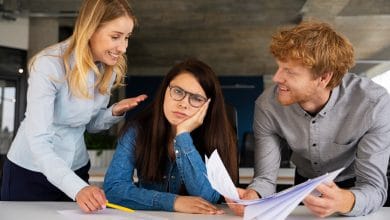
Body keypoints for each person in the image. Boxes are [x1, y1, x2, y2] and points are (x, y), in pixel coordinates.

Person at [227, 21, 390, 217]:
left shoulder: (373, 103)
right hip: (303, 183)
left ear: (323, 78)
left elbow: (373, 188)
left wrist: (344, 201)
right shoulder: (268, 105)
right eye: (279, 67)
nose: (277, 78)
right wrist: (253, 196)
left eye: (289, 71)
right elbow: (265, 179)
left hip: (353, 186)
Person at [0, 0, 147, 213]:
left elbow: (89, 125)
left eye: (126, 38)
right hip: (31, 172)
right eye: (115, 37)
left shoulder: (109, 69)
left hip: (76, 167)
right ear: (90, 29)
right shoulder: (49, 65)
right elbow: (39, 141)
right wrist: (77, 189)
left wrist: (113, 112)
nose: (123, 47)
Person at [103, 59, 238, 214]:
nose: (183, 103)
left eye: (196, 98)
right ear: (165, 91)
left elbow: (208, 198)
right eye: (178, 91)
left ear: (208, 105)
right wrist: (173, 202)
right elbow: (113, 189)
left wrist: (183, 136)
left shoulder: (219, 136)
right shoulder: (138, 130)